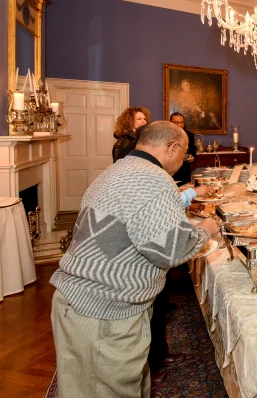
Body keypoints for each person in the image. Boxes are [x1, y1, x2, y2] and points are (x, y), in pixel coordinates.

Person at [50, 121, 219, 397]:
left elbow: (142, 218)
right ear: (172, 147)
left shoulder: (118, 170)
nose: (185, 159)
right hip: (103, 312)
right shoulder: (155, 179)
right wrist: (204, 232)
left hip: (80, 302)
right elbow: (170, 251)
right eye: (185, 153)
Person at [169, 112, 196, 186]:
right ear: (170, 123)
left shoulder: (189, 135)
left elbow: (193, 153)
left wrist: (191, 158)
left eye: (181, 122)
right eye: (176, 122)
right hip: (169, 173)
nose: (179, 125)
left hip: (184, 173)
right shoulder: (165, 135)